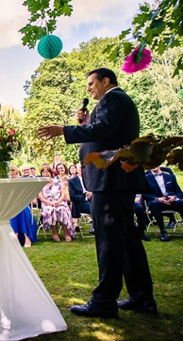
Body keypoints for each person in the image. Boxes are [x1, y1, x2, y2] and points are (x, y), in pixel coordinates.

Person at [37, 67, 158, 317]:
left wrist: (66, 129)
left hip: (111, 179)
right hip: (113, 179)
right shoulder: (111, 103)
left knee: (109, 241)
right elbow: (101, 135)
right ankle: (142, 298)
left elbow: (103, 132)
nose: (89, 88)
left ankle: (104, 302)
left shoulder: (113, 98)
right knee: (126, 240)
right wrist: (84, 123)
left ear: (106, 81)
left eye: (92, 83)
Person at [144, 165, 183, 242]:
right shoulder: (146, 178)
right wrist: (157, 198)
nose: (154, 166)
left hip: (171, 201)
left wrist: (174, 197)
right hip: (157, 201)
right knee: (155, 204)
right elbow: (145, 194)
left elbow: (180, 193)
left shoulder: (170, 177)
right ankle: (163, 232)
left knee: (182, 203)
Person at [37, 164, 75, 242]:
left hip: (59, 202)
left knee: (62, 210)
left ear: (51, 173)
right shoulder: (40, 184)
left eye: (47, 172)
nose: (46, 173)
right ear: (41, 174)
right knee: (50, 210)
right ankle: (55, 233)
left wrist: (58, 201)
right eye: (43, 172)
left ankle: (66, 232)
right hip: (47, 203)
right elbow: (41, 197)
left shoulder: (57, 182)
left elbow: (63, 193)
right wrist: (50, 203)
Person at [9, 165, 38, 247]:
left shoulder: (21, 181)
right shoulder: (6, 182)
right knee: (14, 212)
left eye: (13, 170)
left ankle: (26, 236)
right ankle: (16, 235)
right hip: (10, 205)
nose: (11, 172)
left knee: (23, 211)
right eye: (10, 171)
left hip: (22, 204)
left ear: (16, 172)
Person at [66, 163, 93, 234]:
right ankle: (95, 227)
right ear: (77, 170)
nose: (83, 169)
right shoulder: (72, 181)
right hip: (81, 203)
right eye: (81, 168)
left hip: (93, 200)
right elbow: (73, 197)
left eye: (84, 167)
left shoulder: (91, 179)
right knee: (95, 208)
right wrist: (85, 196)